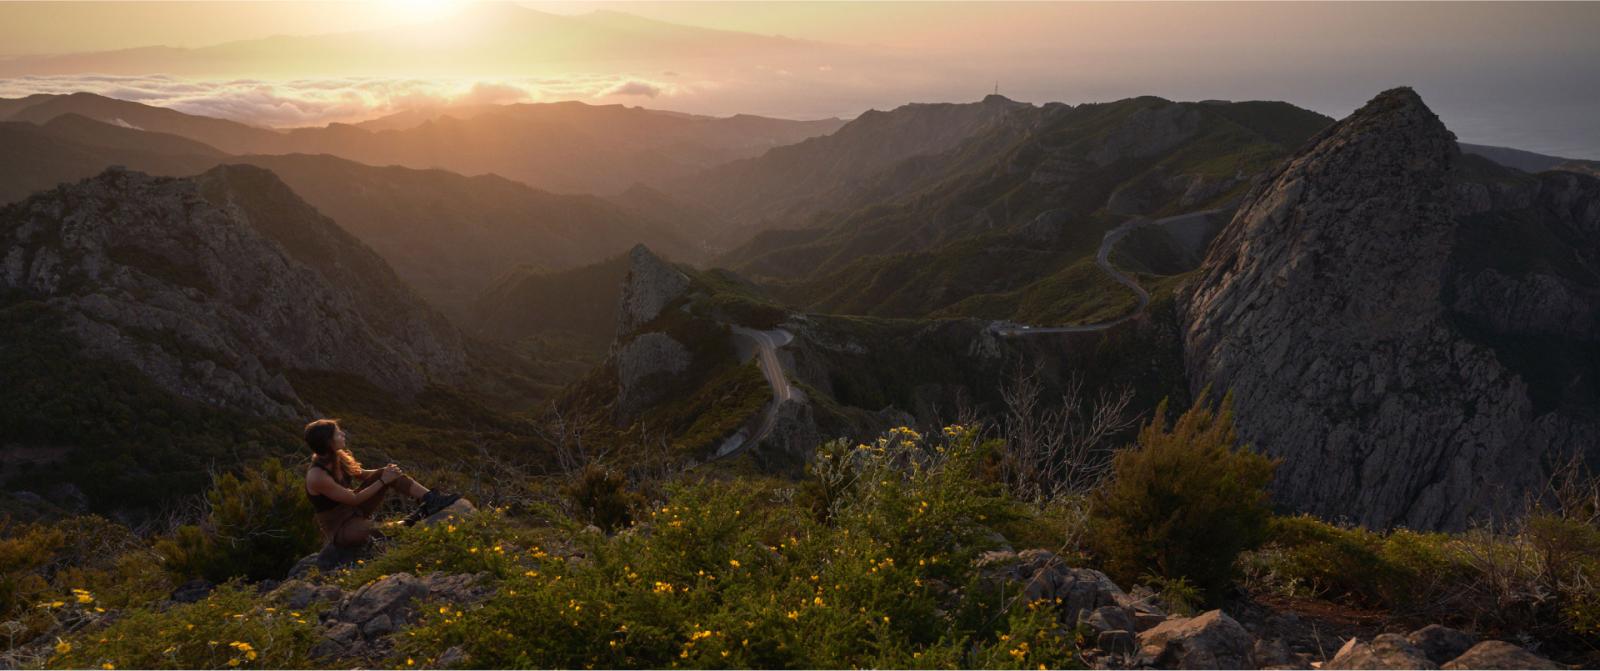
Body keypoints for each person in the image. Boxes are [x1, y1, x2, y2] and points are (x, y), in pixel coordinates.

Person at [303, 418, 460, 549]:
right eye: (338, 433)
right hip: (342, 527)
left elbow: (362, 474)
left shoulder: (338, 456)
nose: (343, 434)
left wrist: (386, 472)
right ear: (329, 442)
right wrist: (384, 479)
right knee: (386, 532)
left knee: (387, 474)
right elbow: (353, 499)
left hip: (355, 509)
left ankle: (431, 499)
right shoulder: (317, 476)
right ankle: (411, 521)